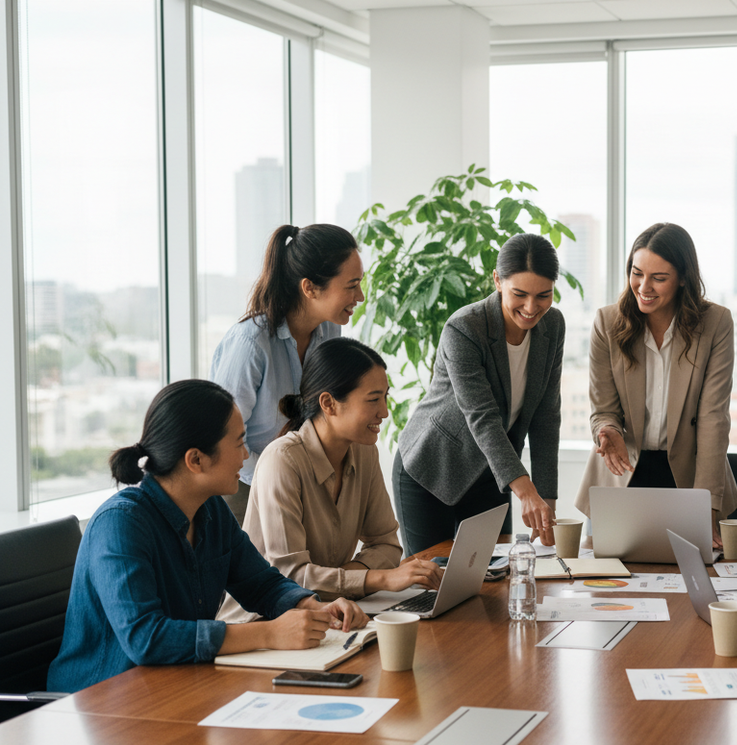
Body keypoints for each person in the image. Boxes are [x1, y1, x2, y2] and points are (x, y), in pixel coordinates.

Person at [47, 380, 367, 694]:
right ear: (196, 460)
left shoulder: (211, 509)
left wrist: (310, 606)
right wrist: (268, 634)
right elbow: (146, 638)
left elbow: (261, 583)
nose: (246, 456)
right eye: (239, 443)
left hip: (173, 686)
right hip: (98, 702)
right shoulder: (120, 524)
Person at [218, 339, 442, 624]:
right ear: (329, 403)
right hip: (264, 623)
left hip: (333, 612)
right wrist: (377, 578)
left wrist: (346, 580)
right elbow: (291, 578)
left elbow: (387, 545)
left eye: (385, 397)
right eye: (373, 399)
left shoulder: (364, 451)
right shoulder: (282, 460)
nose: (384, 411)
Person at [394, 233, 564, 554]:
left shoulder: (552, 326)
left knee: (494, 579)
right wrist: (526, 492)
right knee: (434, 584)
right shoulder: (465, 328)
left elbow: (546, 417)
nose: (531, 307)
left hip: (493, 474)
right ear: (498, 281)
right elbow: (482, 417)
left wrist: (546, 500)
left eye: (543, 295)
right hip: (432, 468)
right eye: (520, 294)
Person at [575, 222, 737, 546]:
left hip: (692, 475)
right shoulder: (607, 322)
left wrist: (705, 511)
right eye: (637, 273)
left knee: (693, 584)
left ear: (683, 279)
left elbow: (712, 419)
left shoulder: (715, 323)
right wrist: (609, 433)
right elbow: (603, 409)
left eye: (658, 278)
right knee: (610, 588)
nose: (643, 286)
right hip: (622, 471)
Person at [210, 223, 363, 523]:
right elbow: (220, 439)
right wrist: (282, 476)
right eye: (351, 285)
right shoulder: (250, 344)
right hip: (242, 487)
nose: (360, 297)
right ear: (309, 288)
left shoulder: (330, 329)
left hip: (299, 480)